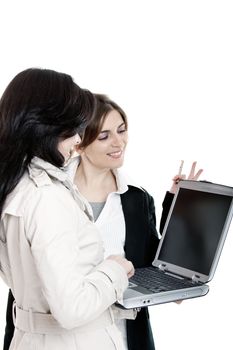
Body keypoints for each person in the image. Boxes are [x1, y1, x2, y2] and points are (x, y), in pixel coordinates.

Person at [2, 89, 203, 350]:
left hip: (122, 336)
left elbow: (156, 267)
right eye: (105, 136)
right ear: (79, 142)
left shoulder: (136, 200)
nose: (118, 143)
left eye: (122, 130)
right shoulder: (45, 194)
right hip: (53, 338)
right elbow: (26, 280)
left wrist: (178, 207)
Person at [0, 68, 135, 350]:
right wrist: (115, 269)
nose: (77, 140)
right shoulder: (46, 198)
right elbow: (71, 308)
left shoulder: (15, 186)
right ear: (46, 125)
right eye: (73, 128)